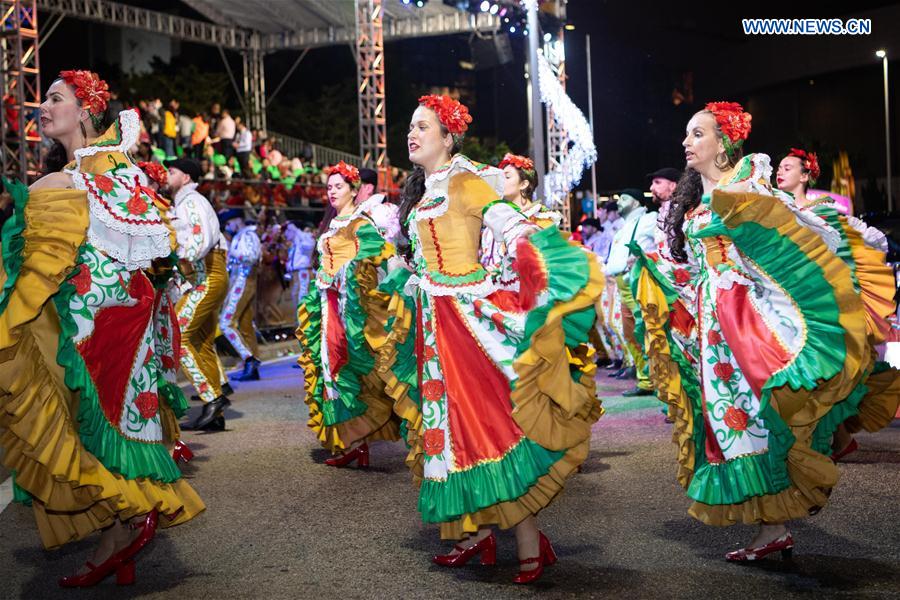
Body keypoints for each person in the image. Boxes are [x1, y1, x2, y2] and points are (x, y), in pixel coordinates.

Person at [382, 95, 603, 583]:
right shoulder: (426, 188)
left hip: (468, 322)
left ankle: (527, 539)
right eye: (410, 126)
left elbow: (511, 225)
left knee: (495, 426)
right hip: (435, 325)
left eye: (422, 126)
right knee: (451, 432)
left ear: (448, 136)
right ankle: (475, 534)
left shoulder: (466, 182)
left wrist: (543, 260)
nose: (411, 134)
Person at [0, 71, 203, 586]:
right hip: (86, 309)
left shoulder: (104, 161)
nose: (42, 106)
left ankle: (131, 519)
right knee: (74, 411)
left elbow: (146, 233)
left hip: (106, 316)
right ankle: (120, 532)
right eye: (42, 98)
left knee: (89, 414)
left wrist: (43, 191)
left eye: (55, 98)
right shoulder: (76, 168)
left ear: (86, 112)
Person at [660, 101, 871, 561]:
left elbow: (796, 241)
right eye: (687, 135)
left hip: (747, 320)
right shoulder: (703, 198)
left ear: (724, 141)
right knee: (734, 421)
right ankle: (770, 527)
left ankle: (774, 523)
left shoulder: (749, 188)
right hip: (715, 325)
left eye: (697, 134)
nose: (686, 143)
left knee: (761, 414)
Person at [777, 147, 900, 461]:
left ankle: (831, 439)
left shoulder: (822, 210)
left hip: (822, 303)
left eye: (788, 167)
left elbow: (863, 236)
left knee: (823, 372)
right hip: (786, 301)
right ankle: (836, 438)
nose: (780, 171)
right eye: (779, 166)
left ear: (805, 176)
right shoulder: (774, 207)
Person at [295, 161, 401, 466]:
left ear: (354, 190)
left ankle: (359, 439)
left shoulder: (359, 223)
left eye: (338, 186)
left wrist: (343, 276)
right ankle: (353, 442)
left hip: (347, 310)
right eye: (329, 187)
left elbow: (382, 254)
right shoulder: (335, 224)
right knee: (331, 370)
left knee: (352, 369)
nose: (331, 192)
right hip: (327, 307)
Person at [163, 158, 234, 431]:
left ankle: (212, 397)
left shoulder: (191, 201)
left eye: (172, 171)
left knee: (178, 335)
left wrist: (179, 259)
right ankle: (215, 411)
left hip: (206, 275)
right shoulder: (184, 202)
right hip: (206, 274)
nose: (167, 175)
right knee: (201, 341)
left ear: (186, 177)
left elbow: (199, 240)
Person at [605, 189, 657, 396]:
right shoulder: (623, 227)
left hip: (638, 281)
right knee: (630, 332)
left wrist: (643, 257)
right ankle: (645, 379)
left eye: (624, 198)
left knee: (644, 331)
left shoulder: (649, 219)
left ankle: (656, 380)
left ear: (636, 203)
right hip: (621, 284)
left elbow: (661, 245)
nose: (619, 202)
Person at [220, 211, 263, 381]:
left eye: (229, 224)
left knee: (226, 323)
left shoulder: (248, 234)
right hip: (242, 280)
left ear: (236, 220)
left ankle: (249, 359)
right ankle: (252, 364)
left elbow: (251, 257)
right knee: (245, 325)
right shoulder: (242, 235)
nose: (228, 228)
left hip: (242, 280)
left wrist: (233, 256)